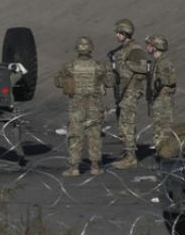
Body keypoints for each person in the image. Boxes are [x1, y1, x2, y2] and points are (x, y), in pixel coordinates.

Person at [55, 36, 114, 176]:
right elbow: (110, 82)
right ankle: (95, 166)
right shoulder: (100, 66)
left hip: (77, 106)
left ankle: (74, 167)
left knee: (75, 136)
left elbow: (58, 82)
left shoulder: (69, 66)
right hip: (95, 106)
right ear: (91, 48)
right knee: (95, 136)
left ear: (77, 49)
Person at [109, 19, 151, 169]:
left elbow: (144, 67)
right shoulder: (123, 49)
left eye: (119, 33)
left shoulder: (135, 49)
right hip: (124, 92)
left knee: (127, 123)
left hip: (131, 92)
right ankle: (128, 153)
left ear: (125, 33)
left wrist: (125, 65)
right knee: (123, 124)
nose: (117, 35)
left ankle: (131, 157)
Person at [147, 35, 177, 155]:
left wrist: (156, 87)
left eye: (150, 45)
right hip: (159, 99)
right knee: (158, 127)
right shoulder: (158, 62)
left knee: (163, 128)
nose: (148, 47)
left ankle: (165, 155)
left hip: (163, 100)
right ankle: (161, 153)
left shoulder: (164, 63)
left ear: (156, 47)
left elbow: (168, 81)